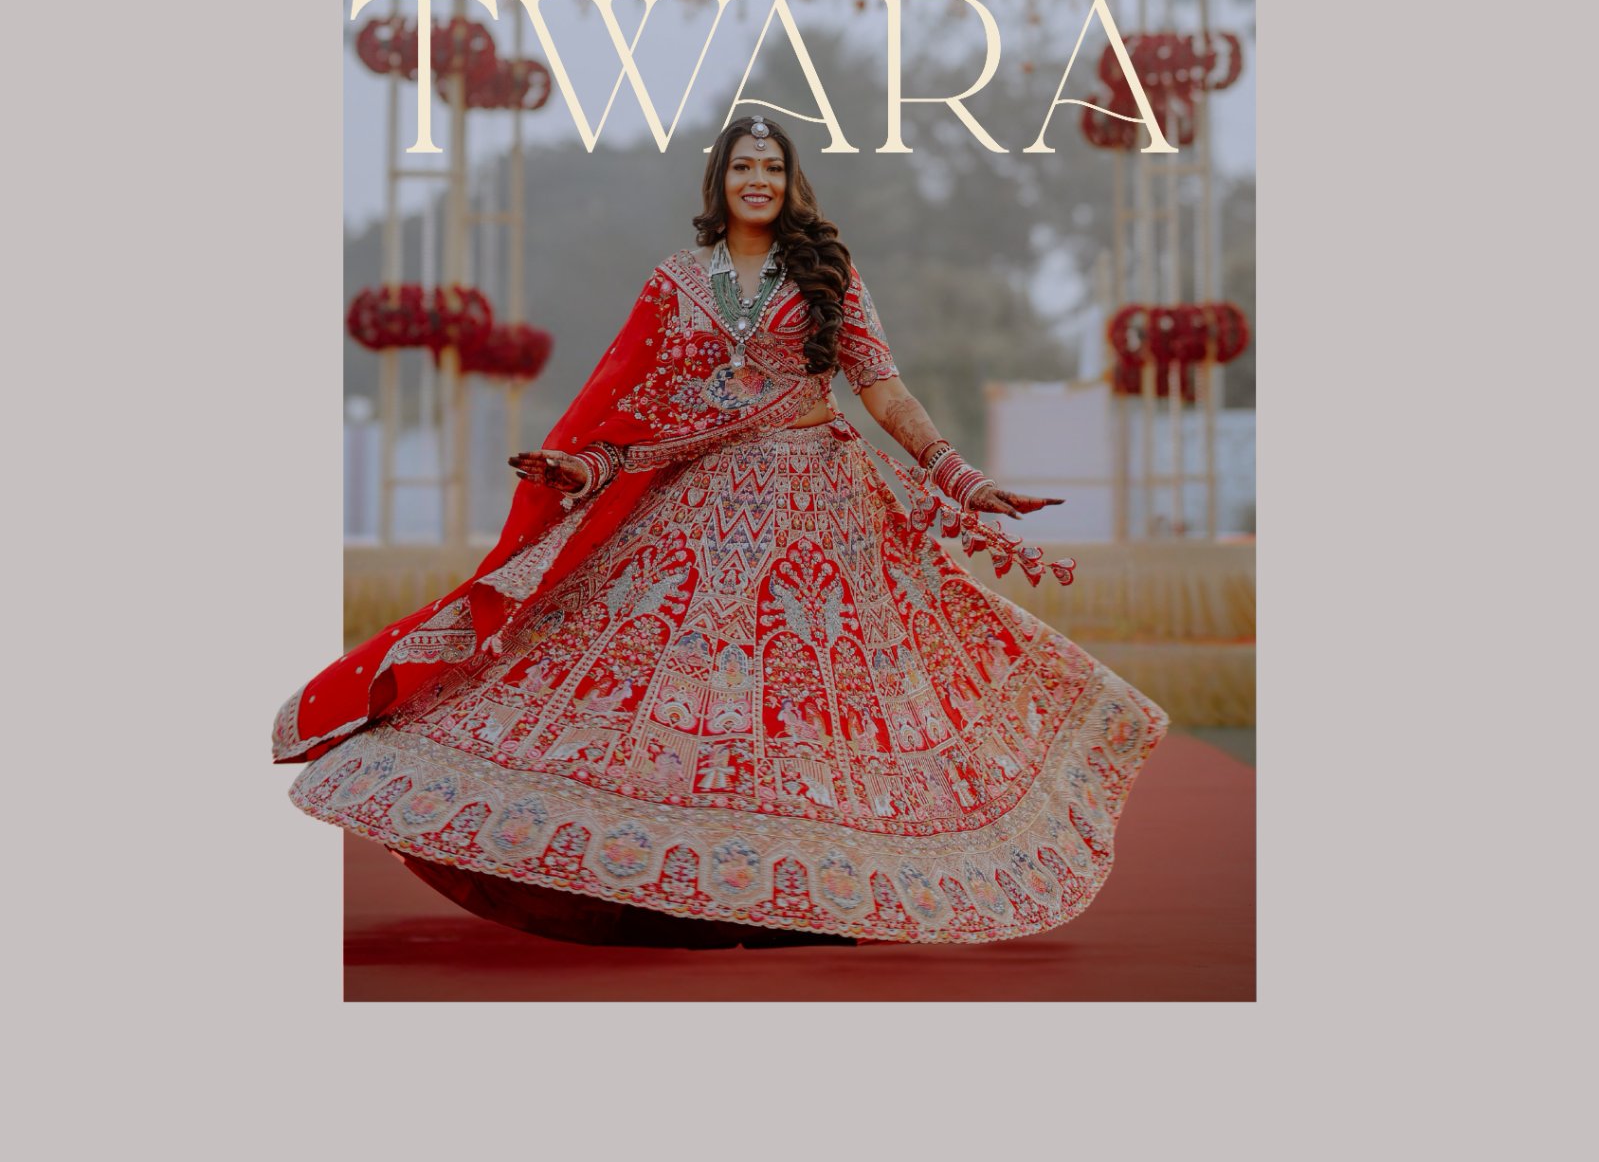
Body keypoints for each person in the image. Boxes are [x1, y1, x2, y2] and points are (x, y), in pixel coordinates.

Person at [274, 115, 1168, 947]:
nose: (757, 180)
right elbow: (635, 406)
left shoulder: (827, 277)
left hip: (822, 512)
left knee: (817, 698)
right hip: (695, 512)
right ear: (718, 182)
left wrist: (957, 477)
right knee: (653, 684)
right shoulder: (673, 282)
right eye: (742, 166)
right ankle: (668, 885)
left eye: (772, 167)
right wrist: (578, 467)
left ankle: (819, 892)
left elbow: (881, 389)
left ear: (790, 183)